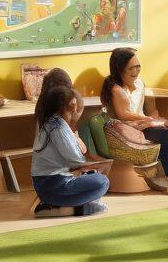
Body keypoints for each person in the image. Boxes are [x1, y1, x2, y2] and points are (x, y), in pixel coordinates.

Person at [101, 47, 168, 193]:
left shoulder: (140, 84)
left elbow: (150, 110)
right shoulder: (116, 90)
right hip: (130, 130)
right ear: (119, 70)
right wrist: (150, 120)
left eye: (138, 67)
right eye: (131, 69)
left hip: (144, 125)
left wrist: (157, 119)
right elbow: (123, 114)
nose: (136, 71)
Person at [31, 85, 110, 218]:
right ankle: (74, 208)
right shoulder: (58, 128)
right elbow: (76, 159)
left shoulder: (51, 123)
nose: (75, 108)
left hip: (48, 184)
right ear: (69, 105)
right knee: (103, 182)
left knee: (93, 174)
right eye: (73, 104)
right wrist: (79, 144)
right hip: (53, 186)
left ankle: (66, 206)